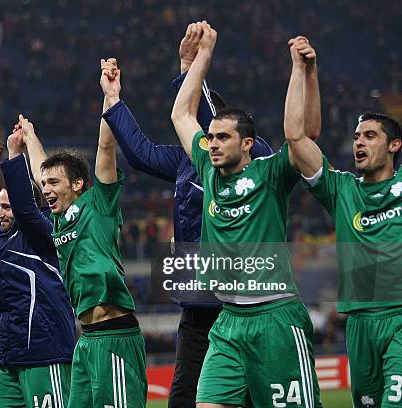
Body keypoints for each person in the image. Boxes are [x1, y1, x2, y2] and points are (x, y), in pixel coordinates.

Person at [101, 22, 276, 408]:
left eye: (217, 134)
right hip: (198, 304)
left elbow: (195, 114)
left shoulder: (256, 154)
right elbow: (140, 153)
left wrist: (189, 68)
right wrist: (113, 99)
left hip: (243, 302)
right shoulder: (186, 159)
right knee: (183, 399)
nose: (210, 141)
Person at [171, 23, 322, 407]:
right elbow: (181, 114)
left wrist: (300, 71)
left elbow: (303, 134)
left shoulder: (271, 173)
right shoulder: (207, 168)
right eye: (211, 138)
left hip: (275, 316)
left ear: (248, 143)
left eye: (223, 138)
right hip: (228, 322)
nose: (213, 144)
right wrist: (200, 58)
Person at [21, 59, 148, 407]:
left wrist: (110, 97)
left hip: (115, 338)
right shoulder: (59, 217)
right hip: (87, 341)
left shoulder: (99, 204)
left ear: (78, 184)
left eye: (53, 183)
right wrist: (31, 137)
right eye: (43, 184)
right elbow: (40, 170)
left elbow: (106, 150)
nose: (45, 189)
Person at [284, 36, 402, 408]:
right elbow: (295, 136)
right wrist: (306, 72)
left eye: (370, 136)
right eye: (355, 137)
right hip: (358, 323)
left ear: (394, 145)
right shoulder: (342, 190)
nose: (359, 143)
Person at [0, 128, 76, 408]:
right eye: (0, 206)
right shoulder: (2, 232)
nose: (0, 212)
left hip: (44, 352)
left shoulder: (43, 231)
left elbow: (26, 210)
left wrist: (15, 155)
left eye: (7, 207)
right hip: (10, 357)